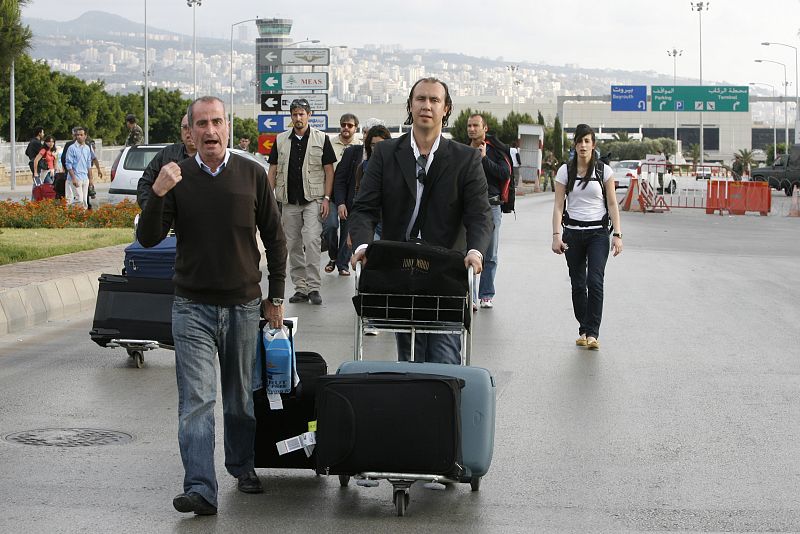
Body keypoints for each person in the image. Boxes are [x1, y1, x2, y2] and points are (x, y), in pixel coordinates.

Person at [136, 96, 287, 516]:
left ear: (227, 127)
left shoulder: (252, 174)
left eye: (216, 122)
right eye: (201, 124)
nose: (210, 131)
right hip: (192, 308)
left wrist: (275, 297)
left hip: (242, 305)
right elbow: (148, 238)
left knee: (239, 399)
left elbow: (275, 239)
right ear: (190, 132)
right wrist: (157, 193)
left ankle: (242, 465)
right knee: (197, 401)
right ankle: (201, 488)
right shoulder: (177, 177)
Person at [348, 77, 493, 364]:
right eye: (421, 99)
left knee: (444, 356)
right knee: (410, 356)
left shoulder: (465, 159)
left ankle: (444, 392)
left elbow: (479, 213)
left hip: (446, 269)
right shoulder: (386, 153)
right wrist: (363, 246)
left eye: (434, 100)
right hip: (400, 269)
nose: (427, 105)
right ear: (411, 105)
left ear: (446, 109)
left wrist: (475, 252)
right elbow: (364, 208)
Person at [551, 123, 623, 351]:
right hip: (572, 233)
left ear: (593, 145)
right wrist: (556, 235)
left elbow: (612, 204)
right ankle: (583, 328)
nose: (583, 145)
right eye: (579, 141)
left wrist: (618, 234)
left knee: (595, 281)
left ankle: (592, 333)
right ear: (574, 145)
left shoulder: (604, 171)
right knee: (578, 284)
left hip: (598, 234)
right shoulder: (565, 171)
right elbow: (558, 206)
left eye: (587, 141)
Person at [267, 98, 336, 306]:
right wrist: (268, 198)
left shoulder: (321, 138)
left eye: (301, 114)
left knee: (312, 240)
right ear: (291, 116)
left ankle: (314, 287)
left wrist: (326, 198)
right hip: (289, 201)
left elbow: (329, 171)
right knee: (293, 244)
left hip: (313, 199)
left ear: (309, 115)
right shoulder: (280, 140)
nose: (298, 118)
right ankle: (301, 288)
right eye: (295, 114)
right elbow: (273, 170)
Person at [466, 113, 512, 309]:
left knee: (490, 253)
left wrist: (484, 158)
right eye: (469, 126)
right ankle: (470, 296)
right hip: (468, 207)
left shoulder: (495, 150)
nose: (472, 129)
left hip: (492, 206)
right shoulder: (463, 150)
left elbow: (505, 173)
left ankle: (486, 294)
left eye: (476, 125)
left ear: (485, 128)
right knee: (468, 251)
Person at [334, 124, 392, 276]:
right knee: (370, 264)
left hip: (391, 226)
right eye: (373, 145)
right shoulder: (363, 168)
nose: (377, 149)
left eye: (381, 145)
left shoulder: (397, 168)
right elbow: (358, 203)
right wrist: (352, 232)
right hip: (370, 225)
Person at [324, 113, 360, 276]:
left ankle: (342, 264)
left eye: (350, 125)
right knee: (330, 226)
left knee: (347, 232)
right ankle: (333, 256)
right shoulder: (330, 144)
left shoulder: (360, 146)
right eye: (343, 124)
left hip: (350, 196)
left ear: (355, 128)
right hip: (331, 195)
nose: (346, 128)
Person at [137, 113, 198, 209]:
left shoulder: (213, 158)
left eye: (193, 127)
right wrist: (150, 209)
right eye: (185, 127)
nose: (189, 132)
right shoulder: (166, 154)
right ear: (181, 130)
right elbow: (145, 183)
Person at [64, 127, 94, 208]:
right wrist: (73, 178)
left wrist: (90, 179)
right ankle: (71, 213)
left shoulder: (87, 148)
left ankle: (82, 215)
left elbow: (89, 164)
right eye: (77, 135)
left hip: (84, 178)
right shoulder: (72, 148)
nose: (79, 136)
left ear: (85, 136)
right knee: (78, 200)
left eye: (81, 135)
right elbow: (68, 164)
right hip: (75, 178)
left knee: (84, 201)